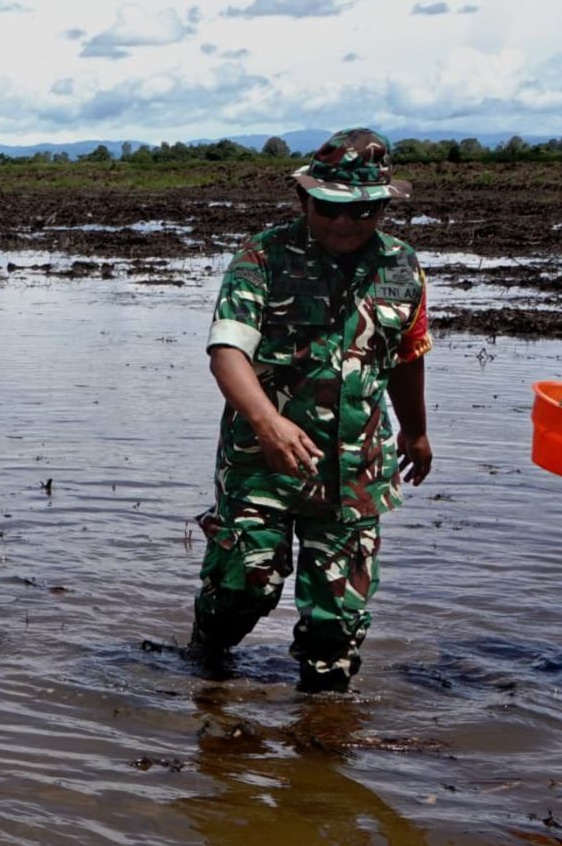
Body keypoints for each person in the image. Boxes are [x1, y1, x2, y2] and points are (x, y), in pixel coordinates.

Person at [186, 130, 434, 694]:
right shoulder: (262, 256)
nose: (346, 223)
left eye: (365, 211)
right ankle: (205, 672)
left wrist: (416, 434)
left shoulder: (401, 265)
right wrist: (267, 422)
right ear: (304, 201)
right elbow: (227, 352)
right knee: (249, 583)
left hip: (356, 468)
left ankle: (321, 743)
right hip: (261, 458)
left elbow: (407, 357)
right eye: (332, 209)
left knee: (336, 625)